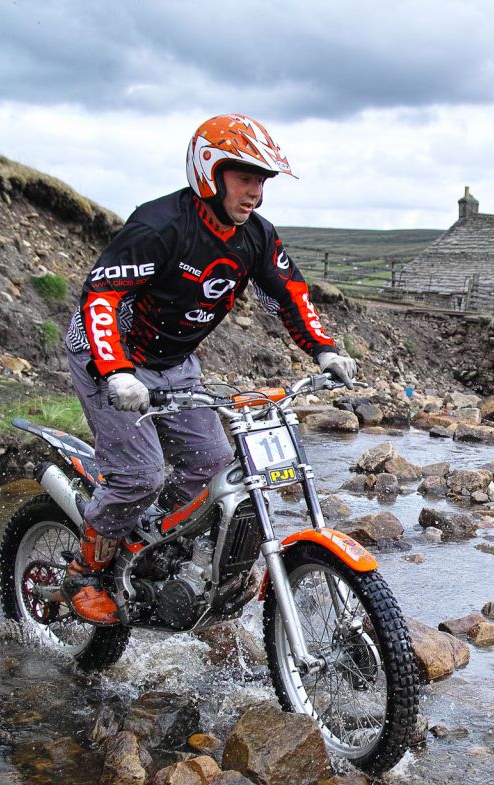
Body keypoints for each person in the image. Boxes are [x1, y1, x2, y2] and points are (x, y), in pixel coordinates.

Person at [59, 113, 357, 624]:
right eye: (245, 178)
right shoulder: (160, 226)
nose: (256, 192)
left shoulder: (256, 236)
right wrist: (116, 370)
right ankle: (86, 571)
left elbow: (291, 294)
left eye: (262, 181)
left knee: (213, 467)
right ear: (210, 173)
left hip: (175, 364)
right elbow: (103, 297)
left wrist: (324, 350)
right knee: (139, 474)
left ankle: (155, 545)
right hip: (107, 358)